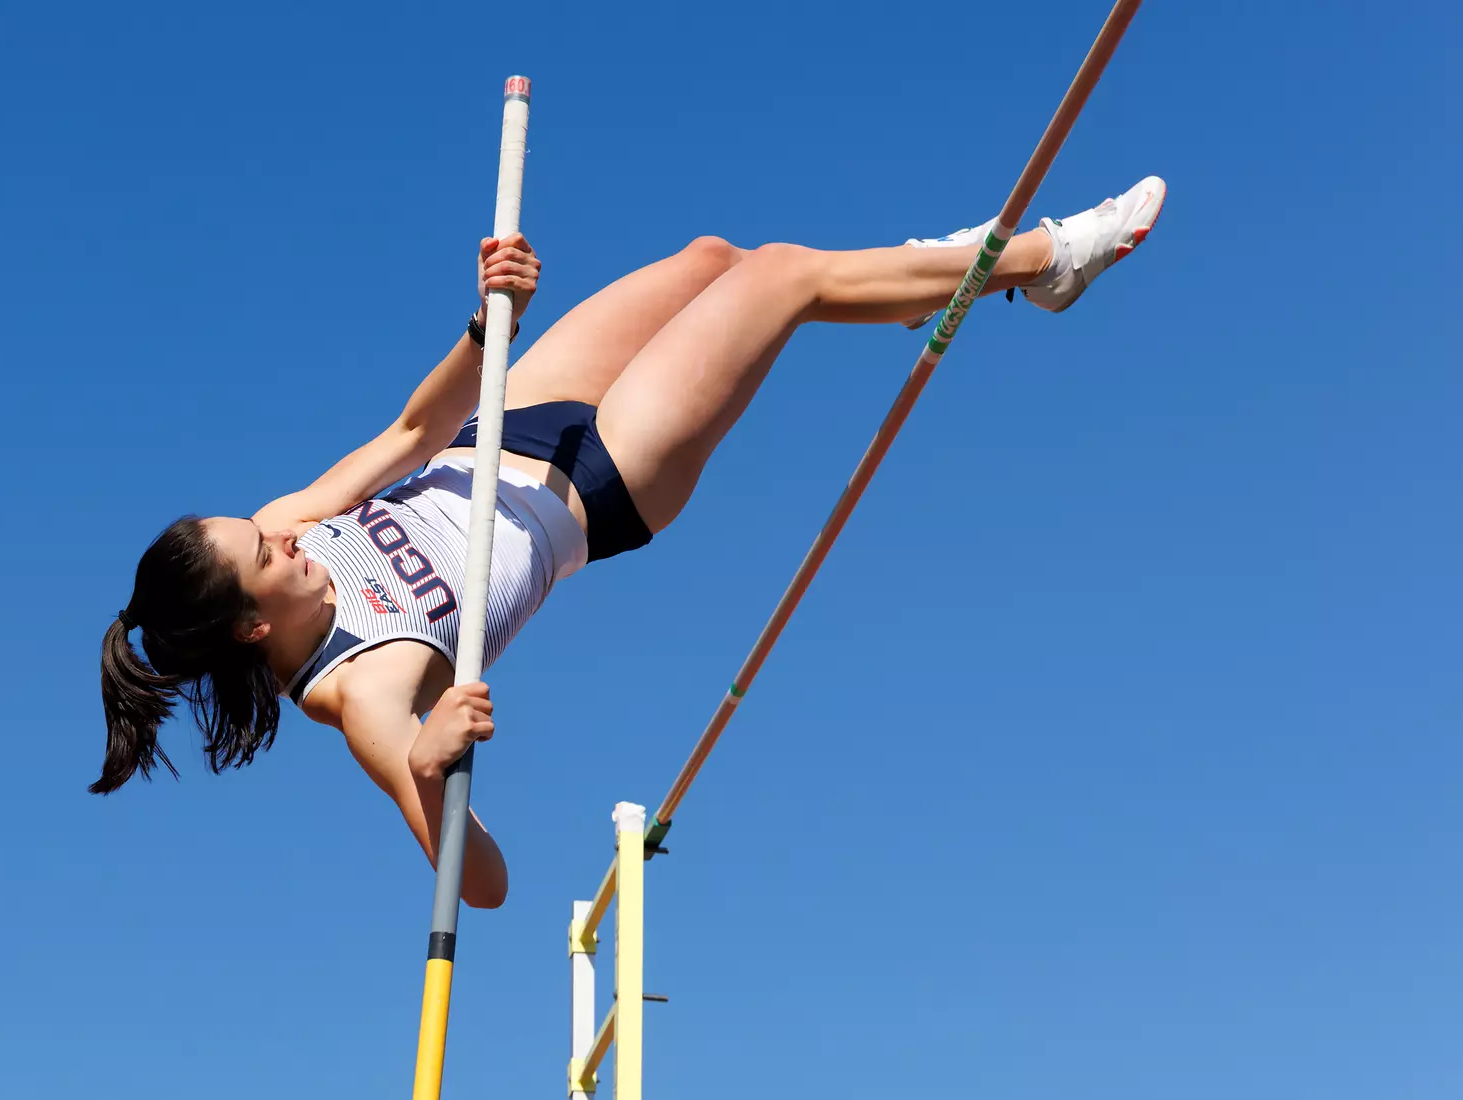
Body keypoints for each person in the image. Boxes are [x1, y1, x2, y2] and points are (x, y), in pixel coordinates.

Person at [96, 176, 1167, 907]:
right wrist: (429, 764)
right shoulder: (357, 696)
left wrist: (481, 327)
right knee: (782, 278)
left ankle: (912, 281)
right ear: (250, 621)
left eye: (263, 526)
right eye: (267, 557)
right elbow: (482, 882)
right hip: (599, 486)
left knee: (714, 258)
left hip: (505, 422)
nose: (286, 538)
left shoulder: (283, 525)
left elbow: (412, 433)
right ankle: (1039, 263)